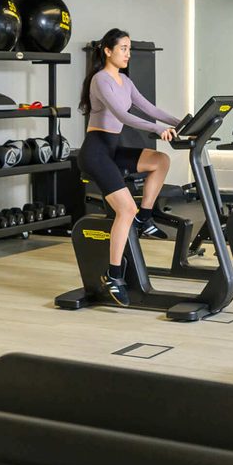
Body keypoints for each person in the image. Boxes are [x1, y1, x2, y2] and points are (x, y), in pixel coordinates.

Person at [78, 29, 182, 304]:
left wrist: (183, 123)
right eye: (123, 48)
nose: (128, 53)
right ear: (108, 51)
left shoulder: (124, 80)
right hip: (97, 152)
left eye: (129, 48)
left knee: (160, 161)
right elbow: (123, 115)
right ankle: (113, 275)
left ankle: (145, 218)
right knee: (125, 209)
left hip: (112, 149)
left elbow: (150, 109)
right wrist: (158, 130)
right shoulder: (101, 80)